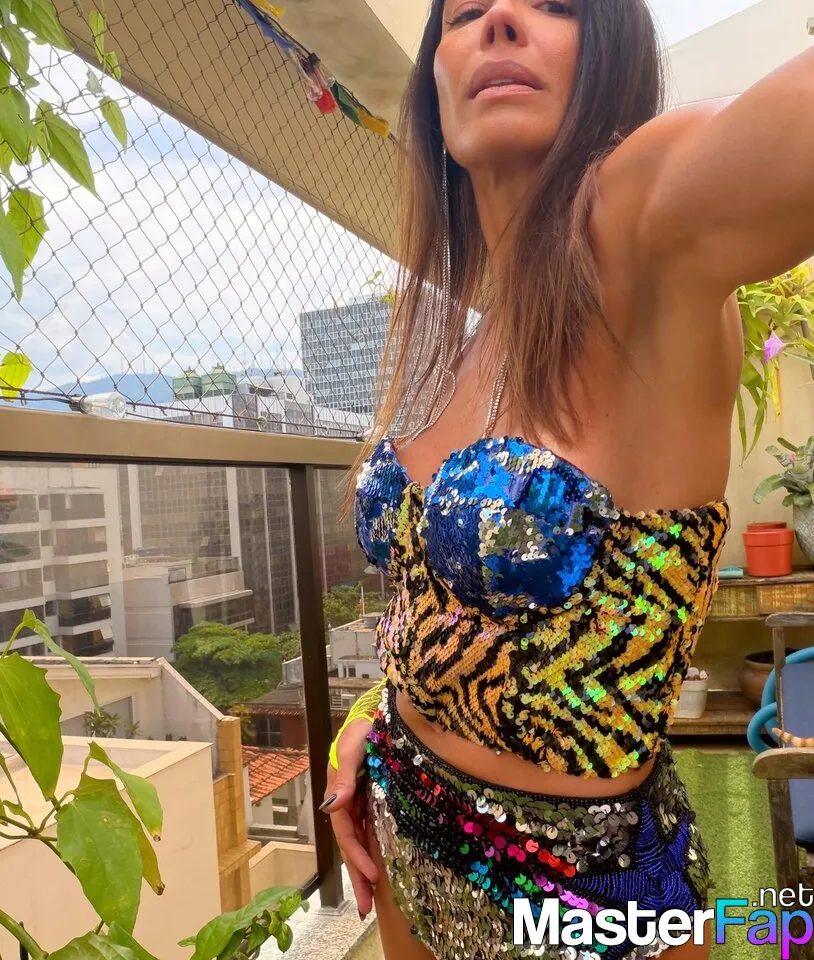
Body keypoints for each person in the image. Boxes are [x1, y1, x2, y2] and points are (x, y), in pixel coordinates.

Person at [321, 1, 814, 958]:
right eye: (465, 12)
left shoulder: (640, 222)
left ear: (612, 51)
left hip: (585, 905)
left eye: (552, 3)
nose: (500, 18)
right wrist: (375, 713)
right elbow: (434, 600)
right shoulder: (473, 336)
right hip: (403, 830)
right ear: (433, 82)